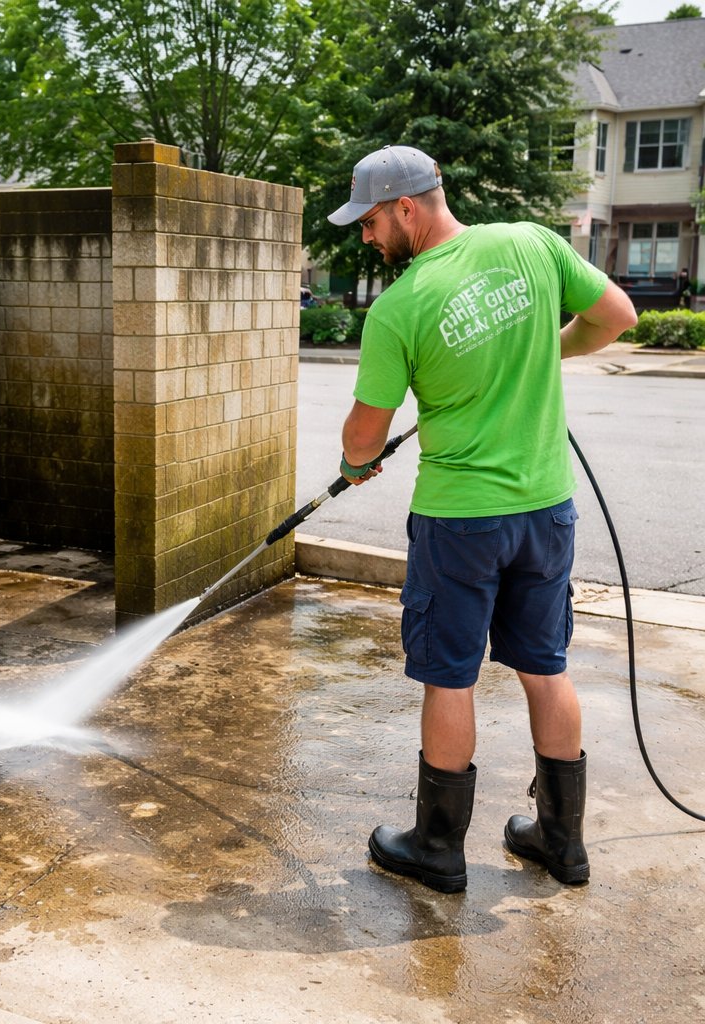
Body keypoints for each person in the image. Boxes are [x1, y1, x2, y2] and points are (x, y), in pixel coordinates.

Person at [327, 145, 637, 894]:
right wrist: (547, 354)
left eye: (369, 222)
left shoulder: (401, 307)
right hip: (545, 510)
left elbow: (365, 437)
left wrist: (353, 463)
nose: (365, 238)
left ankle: (437, 850)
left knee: (449, 676)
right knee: (545, 665)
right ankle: (562, 844)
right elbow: (616, 317)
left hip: (460, 521)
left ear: (406, 206)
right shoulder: (530, 242)